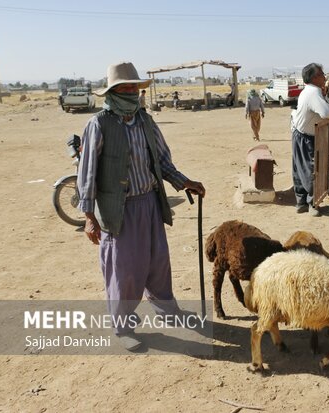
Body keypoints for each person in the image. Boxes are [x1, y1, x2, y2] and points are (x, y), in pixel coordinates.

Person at [77, 62, 206, 351]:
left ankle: (168, 312)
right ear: (113, 91)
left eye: (135, 86)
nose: (132, 91)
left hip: (149, 203)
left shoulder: (145, 120)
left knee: (158, 261)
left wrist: (185, 182)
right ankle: (122, 326)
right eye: (125, 87)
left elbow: (162, 161)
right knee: (125, 270)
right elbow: (87, 174)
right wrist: (88, 217)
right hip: (118, 210)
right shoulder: (99, 124)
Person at [290, 63, 329, 217]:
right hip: (305, 137)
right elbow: (326, 113)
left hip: (300, 134)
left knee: (299, 169)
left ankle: (301, 203)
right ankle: (313, 203)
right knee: (310, 170)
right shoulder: (313, 93)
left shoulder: (312, 91)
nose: (325, 76)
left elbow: (324, 108)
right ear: (315, 77)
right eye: (322, 74)